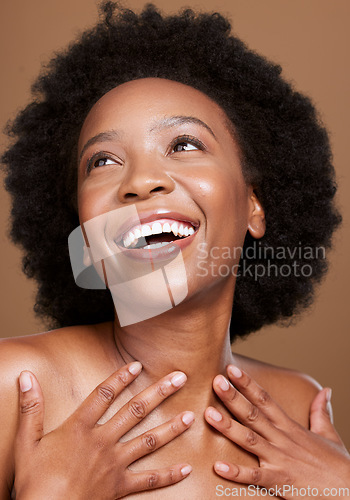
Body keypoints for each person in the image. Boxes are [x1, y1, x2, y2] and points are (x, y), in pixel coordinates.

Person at [1, 2, 349, 498]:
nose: (140, 182)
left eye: (184, 144)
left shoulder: (299, 407)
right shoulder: (15, 388)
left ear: (255, 205)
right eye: (103, 160)